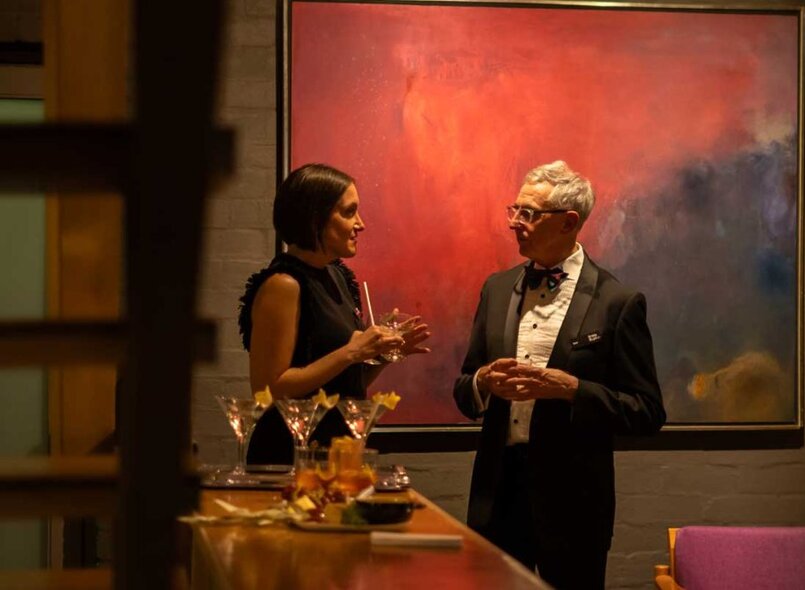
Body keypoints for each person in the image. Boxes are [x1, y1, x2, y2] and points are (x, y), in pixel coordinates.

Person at [453, 161, 665, 589]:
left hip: (574, 504)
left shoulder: (617, 302)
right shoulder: (496, 289)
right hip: (497, 494)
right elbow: (464, 387)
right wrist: (482, 384)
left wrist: (574, 390)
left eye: (528, 214)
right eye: (514, 209)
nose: (515, 222)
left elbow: (646, 412)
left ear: (569, 222)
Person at [239, 163, 430, 465]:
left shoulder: (339, 277)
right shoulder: (283, 284)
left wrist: (380, 355)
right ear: (315, 217)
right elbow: (269, 389)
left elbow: (345, 385)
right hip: (289, 455)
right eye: (349, 212)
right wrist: (353, 350)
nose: (361, 223)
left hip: (337, 451)